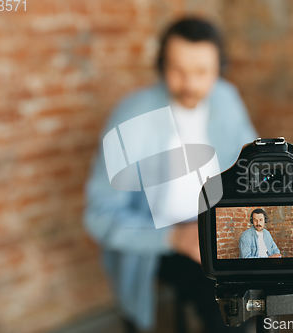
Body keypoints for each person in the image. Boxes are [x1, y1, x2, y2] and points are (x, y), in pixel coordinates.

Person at [84, 18, 257, 332]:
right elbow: (100, 216)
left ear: (221, 67)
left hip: (218, 229)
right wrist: (173, 237)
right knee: (225, 312)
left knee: (259, 301)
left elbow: (249, 165)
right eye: (178, 70)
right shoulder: (130, 115)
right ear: (161, 65)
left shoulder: (226, 97)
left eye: (202, 72)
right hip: (158, 240)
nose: (190, 84)